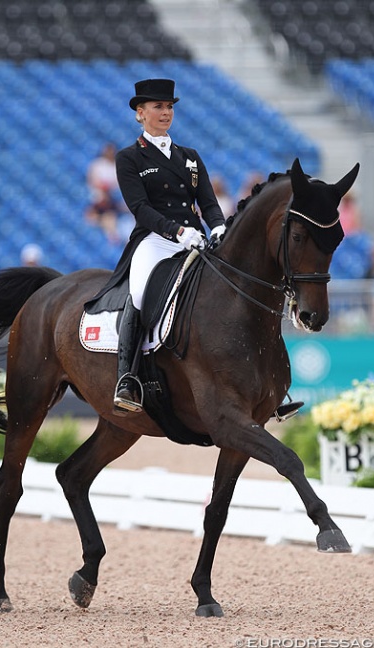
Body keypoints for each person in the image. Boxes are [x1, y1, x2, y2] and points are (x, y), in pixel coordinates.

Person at [86, 78, 301, 420]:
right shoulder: (130, 158)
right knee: (140, 294)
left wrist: (217, 226)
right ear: (140, 114)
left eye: (169, 107)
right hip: (154, 242)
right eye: (157, 107)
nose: (165, 113)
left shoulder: (190, 157)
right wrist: (177, 230)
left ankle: (275, 384)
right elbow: (140, 208)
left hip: (197, 240)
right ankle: (127, 378)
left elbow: (209, 204)